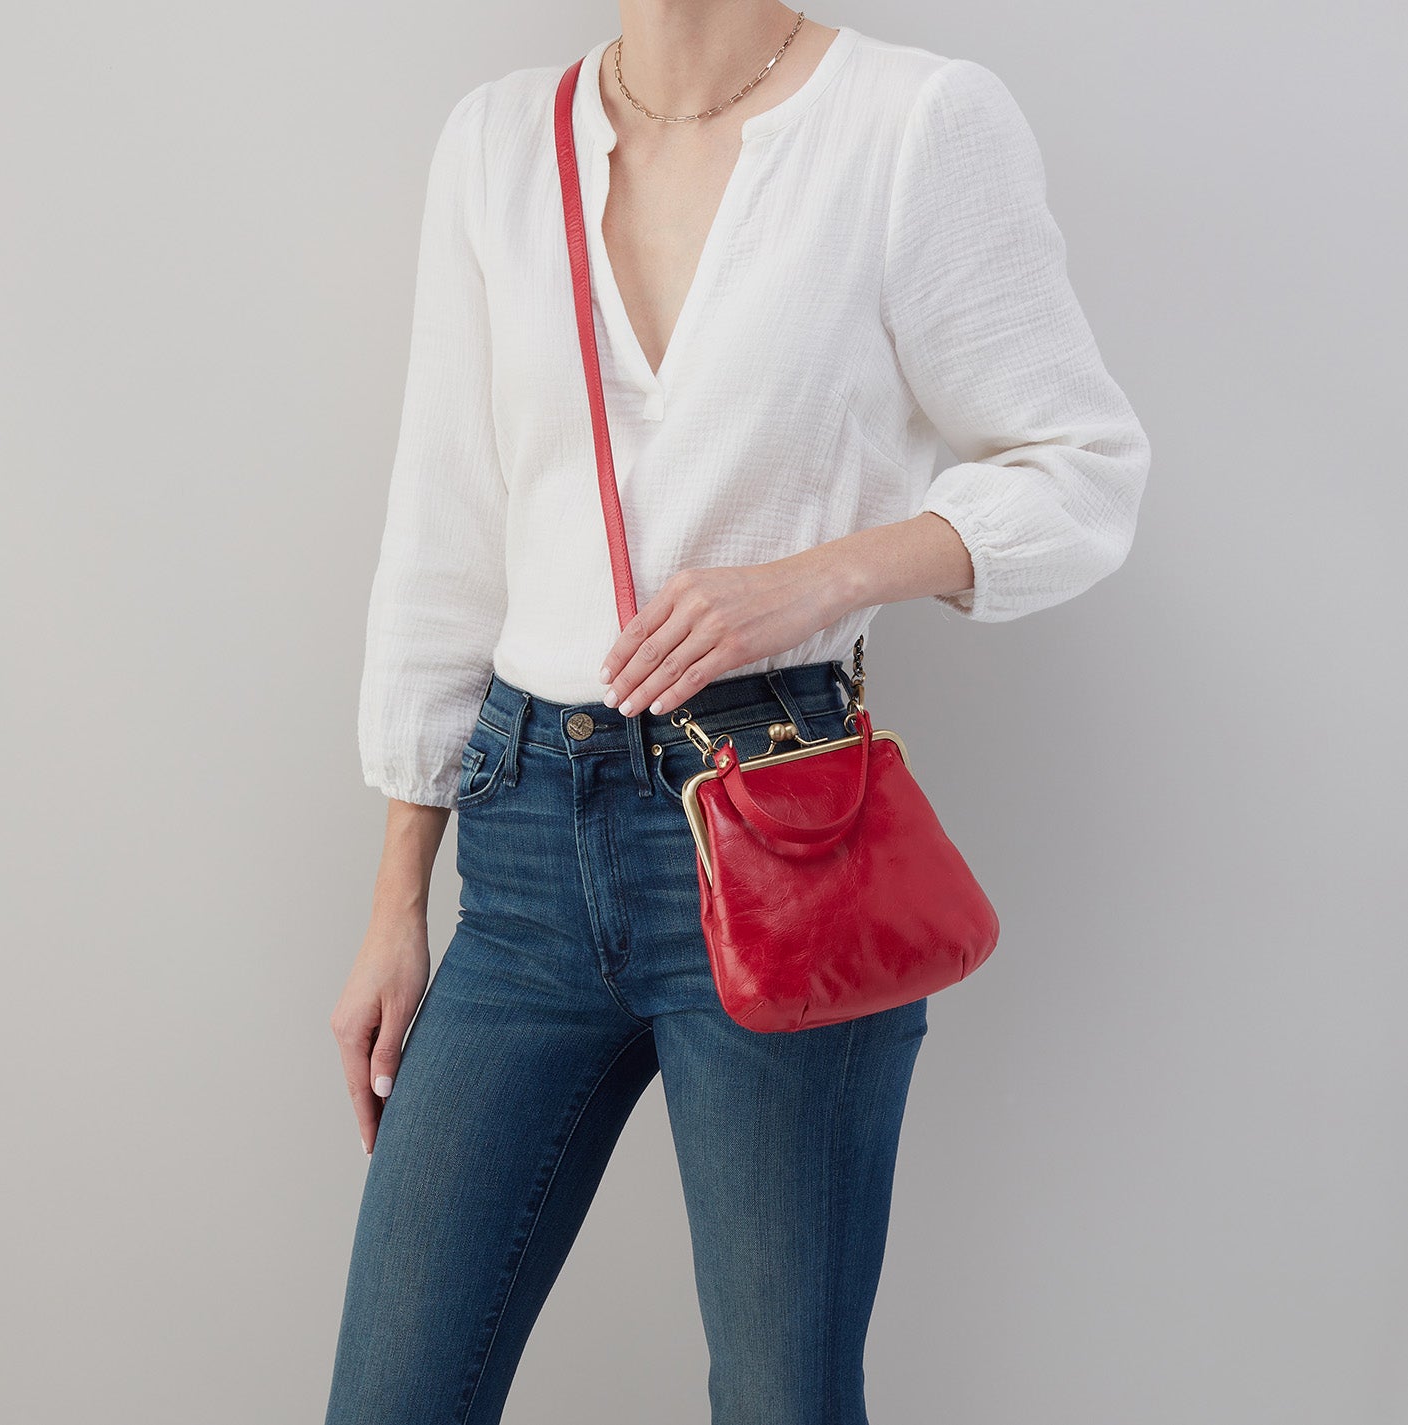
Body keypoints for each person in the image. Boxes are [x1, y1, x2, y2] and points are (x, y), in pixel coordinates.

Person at [325, 4, 1150, 1422]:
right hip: (522, 853)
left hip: (784, 829)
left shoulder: (911, 124)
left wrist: (821, 576)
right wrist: (397, 902)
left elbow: (1082, 469)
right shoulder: (500, 142)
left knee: (783, 1398)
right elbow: (442, 533)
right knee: (392, 1397)